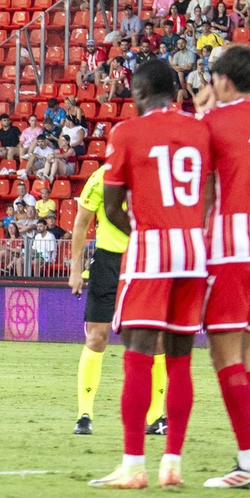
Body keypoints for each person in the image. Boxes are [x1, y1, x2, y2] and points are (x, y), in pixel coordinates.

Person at [86, 59, 211, 490]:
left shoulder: (128, 133)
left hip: (153, 249)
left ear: (139, 93)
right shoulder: (200, 131)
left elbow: (114, 204)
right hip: (194, 251)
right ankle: (172, 463)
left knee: (138, 354)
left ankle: (133, 465)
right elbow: (209, 195)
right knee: (180, 360)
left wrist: (140, 232)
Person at [193, 45, 250, 489]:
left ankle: (249, 463)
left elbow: (204, 187)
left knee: (224, 355)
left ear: (224, 81)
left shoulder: (213, 124)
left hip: (228, 249)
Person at [68, 163, 166, 439]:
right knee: (97, 338)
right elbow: (81, 222)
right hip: (108, 263)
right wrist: (76, 269)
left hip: (145, 260)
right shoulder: (100, 178)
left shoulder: (154, 175)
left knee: (156, 340)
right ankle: (84, 414)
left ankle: (156, 416)